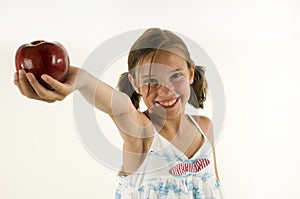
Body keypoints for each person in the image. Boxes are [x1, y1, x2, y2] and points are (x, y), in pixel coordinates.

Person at [14, 28, 223, 198]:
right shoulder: (142, 134)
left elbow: (214, 189)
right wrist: (80, 79)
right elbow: (118, 106)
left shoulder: (204, 127)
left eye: (175, 75)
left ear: (191, 73)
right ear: (134, 84)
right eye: (150, 80)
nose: (166, 90)